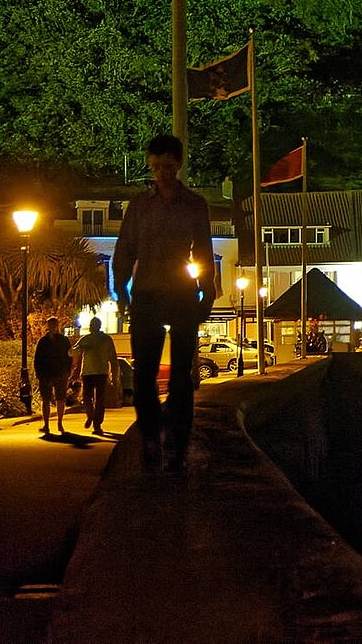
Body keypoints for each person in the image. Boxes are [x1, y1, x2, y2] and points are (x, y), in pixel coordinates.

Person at [113, 133, 217, 473]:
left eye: (168, 167)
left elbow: (204, 250)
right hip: (146, 292)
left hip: (180, 292)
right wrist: (121, 288)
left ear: (179, 165)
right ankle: (151, 438)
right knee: (144, 374)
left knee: (181, 376)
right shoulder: (139, 206)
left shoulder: (195, 205)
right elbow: (125, 248)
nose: (162, 173)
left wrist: (207, 290)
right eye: (156, 167)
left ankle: (177, 442)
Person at [71, 317, 116, 435]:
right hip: (97, 372)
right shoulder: (102, 339)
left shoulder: (89, 339)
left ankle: (93, 419)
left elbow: (72, 352)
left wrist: (79, 348)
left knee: (90, 398)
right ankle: (95, 421)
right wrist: (113, 374)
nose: (91, 327)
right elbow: (113, 359)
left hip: (92, 373)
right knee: (97, 399)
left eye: (92, 325)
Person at [33, 317, 73, 437]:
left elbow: (69, 356)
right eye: (51, 325)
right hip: (47, 373)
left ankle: (59, 423)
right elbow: (38, 358)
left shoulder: (62, 340)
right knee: (47, 399)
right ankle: (47, 424)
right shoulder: (44, 341)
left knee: (59, 398)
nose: (52, 327)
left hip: (58, 373)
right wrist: (39, 373)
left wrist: (67, 370)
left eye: (54, 325)